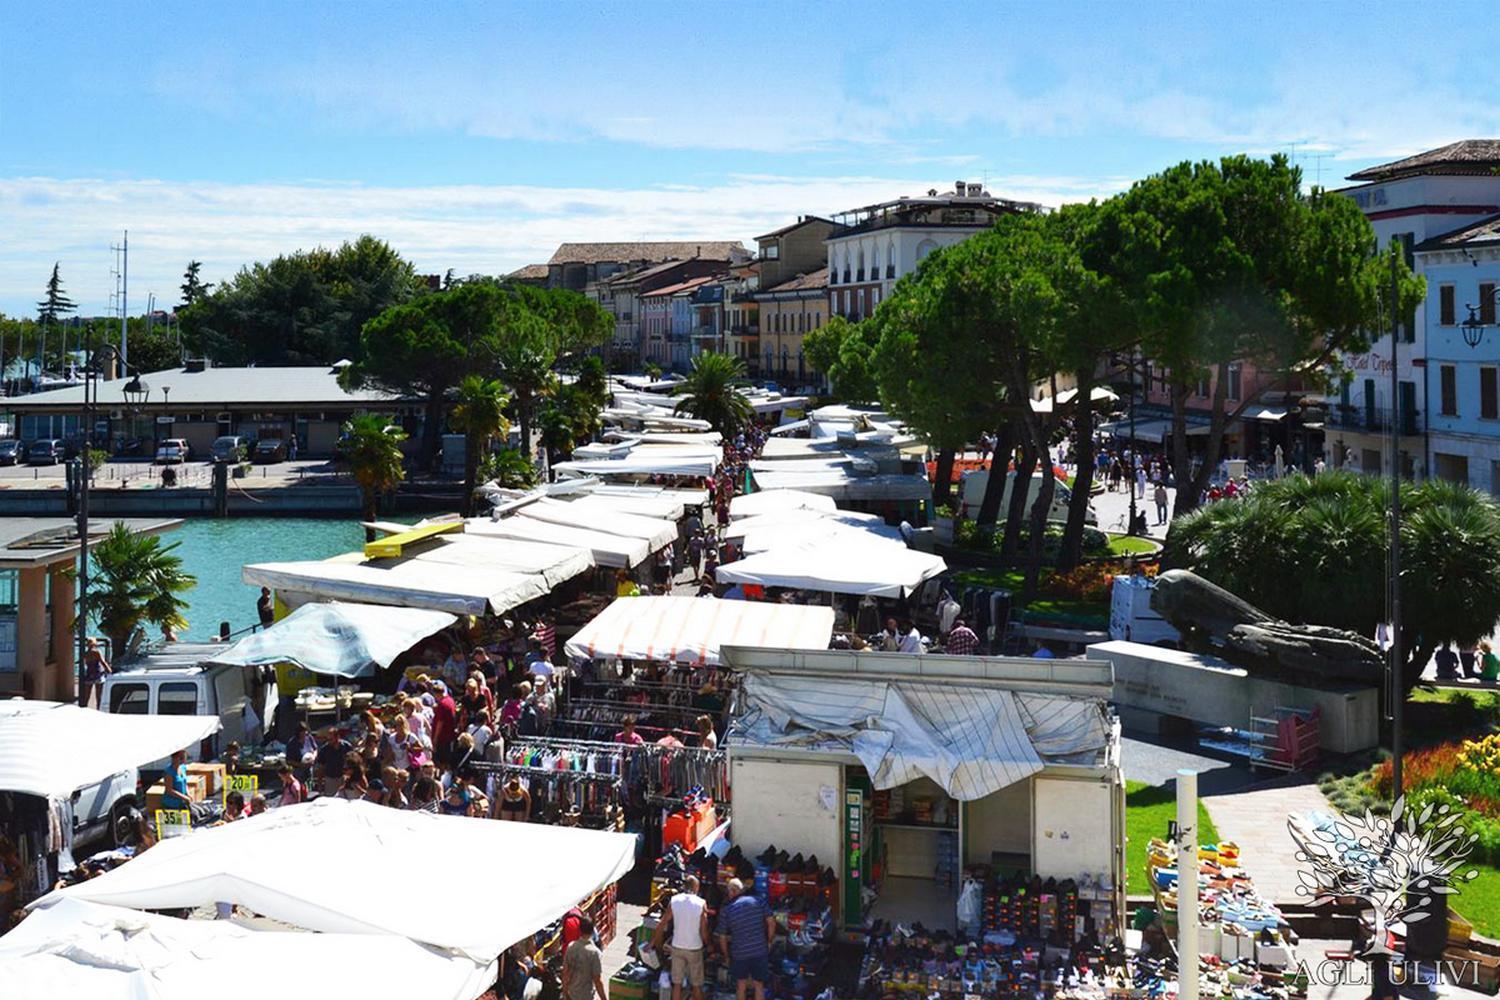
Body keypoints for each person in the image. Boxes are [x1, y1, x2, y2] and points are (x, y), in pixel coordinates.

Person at [716, 878, 775, 1000]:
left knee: (741, 986)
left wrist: (726, 956)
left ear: (732, 891)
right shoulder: (758, 901)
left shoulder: (726, 910)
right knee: (759, 985)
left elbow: (722, 937)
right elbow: (771, 922)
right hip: (759, 950)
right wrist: (769, 941)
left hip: (739, 953)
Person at [653, 874, 709, 1000]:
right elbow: (704, 931)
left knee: (677, 984)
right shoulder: (701, 903)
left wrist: (656, 943)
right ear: (696, 887)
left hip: (677, 946)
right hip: (694, 948)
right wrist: (709, 945)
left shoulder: (675, 901)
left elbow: (662, 923)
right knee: (696, 985)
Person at [562, 915, 607, 1000]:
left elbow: (565, 973)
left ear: (580, 929)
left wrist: (565, 993)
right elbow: (597, 980)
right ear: (592, 930)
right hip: (586, 996)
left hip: (572, 994)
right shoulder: (594, 953)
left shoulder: (571, 947)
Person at [314, 727, 352, 797]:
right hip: (330, 779)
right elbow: (320, 768)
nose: (329, 741)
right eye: (328, 739)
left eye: (331, 739)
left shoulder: (347, 747)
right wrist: (320, 785)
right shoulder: (324, 750)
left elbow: (353, 763)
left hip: (343, 778)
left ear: (337, 737)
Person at [432, 681, 458, 767]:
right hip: (449, 734)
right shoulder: (450, 700)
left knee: (442, 760)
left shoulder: (442, 704)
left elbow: (440, 722)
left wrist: (435, 738)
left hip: (442, 737)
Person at [81, 638, 110, 709]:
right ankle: (98, 708)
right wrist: (109, 670)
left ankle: (85, 708)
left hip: (89, 674)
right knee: (99, 695)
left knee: (87, 695)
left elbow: (85, 664)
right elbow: (103, 662)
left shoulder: (85, 653)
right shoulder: (97, 652)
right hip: (98, 674)